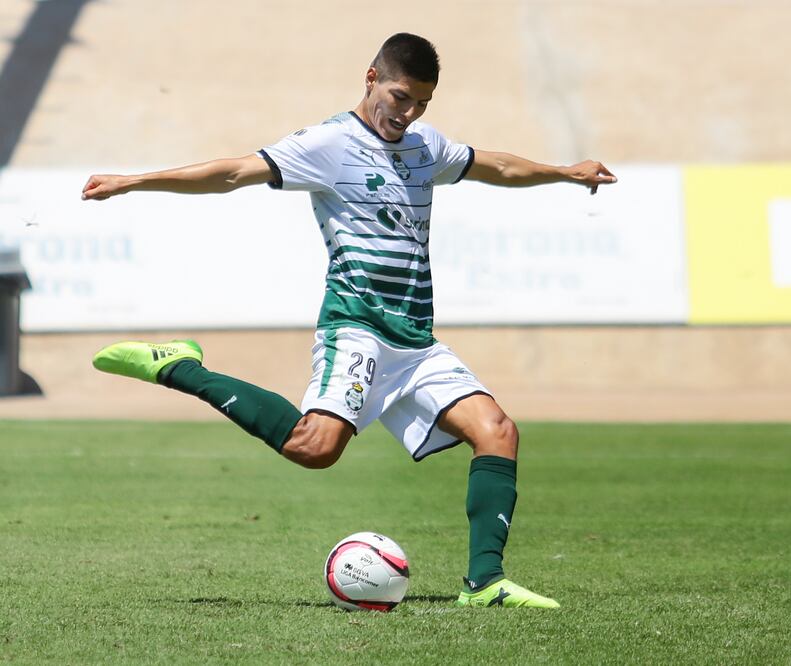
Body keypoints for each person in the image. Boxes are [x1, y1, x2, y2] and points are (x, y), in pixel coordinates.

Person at [82, 32, 616, 609]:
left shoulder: (423, 145)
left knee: (499, 432)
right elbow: (234, 172)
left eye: (421, 104)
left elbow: (499, 165)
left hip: (415, 339)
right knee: (314, 448)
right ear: (371, 78)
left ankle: (484, 583)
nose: (407, 114)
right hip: (357, 325)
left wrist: (566, 171)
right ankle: (181, 366)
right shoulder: (330, 143)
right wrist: (135, 180)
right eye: (399, 96)